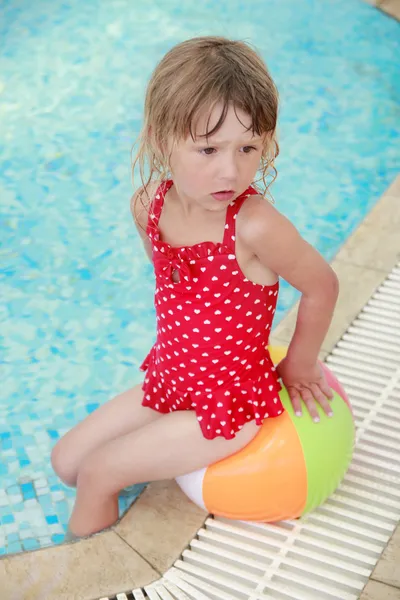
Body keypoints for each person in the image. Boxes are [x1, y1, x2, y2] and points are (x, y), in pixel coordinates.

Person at [51, 36, 339, 539]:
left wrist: (299, 364)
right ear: (163, 139)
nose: (230, 170)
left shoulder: (254, 227)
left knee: (96, 476)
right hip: (170, 379)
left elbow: (322, 286)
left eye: (248, 148)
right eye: (208, 149)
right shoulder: (149, 206)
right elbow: (172, 282)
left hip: (229, 405)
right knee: (66, 463)